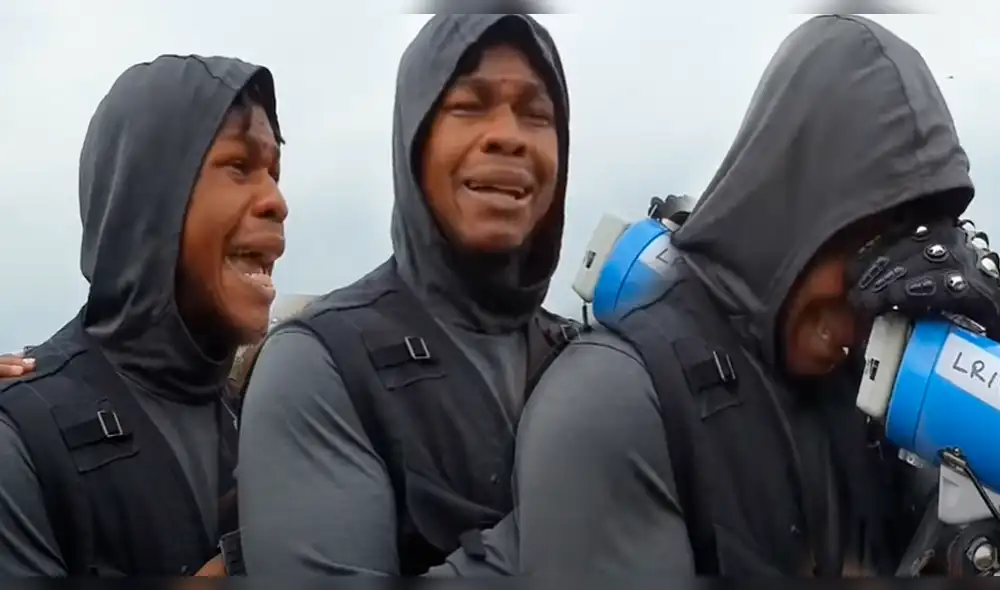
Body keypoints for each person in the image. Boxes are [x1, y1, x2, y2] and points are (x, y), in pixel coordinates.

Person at [511, 15, 991, 576]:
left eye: (901, 260)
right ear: (789, 212)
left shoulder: (864, 406)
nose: (870, 296)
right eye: (860, 246)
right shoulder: (610, 402)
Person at [236, 13, 573, 576]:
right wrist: (586, 512)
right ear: (414, 138)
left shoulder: (587, 356)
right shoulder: (320, 365)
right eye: (468, 105)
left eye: (537, 115)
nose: (508, 136)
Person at [0, 54, 287, 576]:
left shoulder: (279, 416)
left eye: (274, 173)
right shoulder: (21, 433)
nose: (276, 201)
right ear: (151, 197)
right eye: (239, 167)